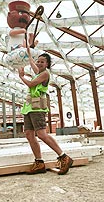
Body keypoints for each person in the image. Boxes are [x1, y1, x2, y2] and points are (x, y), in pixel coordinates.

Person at [18, 47, 73, 175]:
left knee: (41, 134)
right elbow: (32, 62)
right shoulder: (38, 72)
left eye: (42, 62)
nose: (39, 63)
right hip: (29, 107)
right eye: (38, 61)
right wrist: (28, 52)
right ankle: (39, 162)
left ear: (47, 64)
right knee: (29, 134)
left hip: (37, 107)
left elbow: (31, 84)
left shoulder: (45, 74)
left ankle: (63, 156)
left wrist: (21, 76)